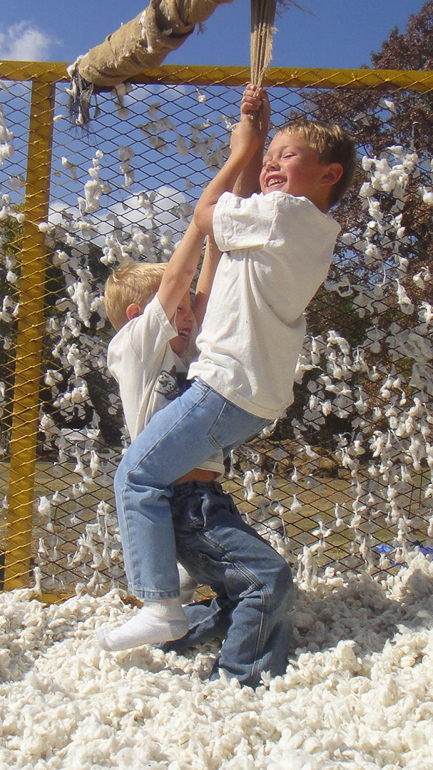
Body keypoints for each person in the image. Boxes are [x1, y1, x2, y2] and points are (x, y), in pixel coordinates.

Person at [104, 84, 356, 658]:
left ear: (328, 175)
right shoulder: (292, 229)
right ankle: (185, 614)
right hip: (243, 394)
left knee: (135, 476)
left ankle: (160, 605)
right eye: (271, 159)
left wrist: (242, 152)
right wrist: (259, 146)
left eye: (286, 157)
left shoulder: (285, 215)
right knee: (152, 485)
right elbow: (213, 259)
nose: (272, 167)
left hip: (228, 387)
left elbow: (207, 219)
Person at [99, 225, 295, 687]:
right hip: (183, 505)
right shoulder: (134, 347)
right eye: (178, 310)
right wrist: (201, 222)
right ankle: (238, 678)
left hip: (206, 499)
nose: (189, 316)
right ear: (138, 315)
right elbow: (177, 283)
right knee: (269, 580)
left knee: (242, 588)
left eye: (187, 310)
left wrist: (220, 240)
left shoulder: (187, 357)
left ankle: (181, 638)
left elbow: (202, 292)